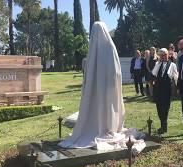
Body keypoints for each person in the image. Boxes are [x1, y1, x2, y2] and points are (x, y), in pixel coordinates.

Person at [59, 22, 146, 152]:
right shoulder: (102, 48)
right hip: (99, 88)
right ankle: (103, 126)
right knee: (101, 108)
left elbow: (114, 70)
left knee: (107, 108)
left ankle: (107, 126)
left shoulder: (106, 48)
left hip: (107, 87)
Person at [152, 48, 178, 134]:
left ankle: (164, 126)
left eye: (164, 55)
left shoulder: (172, 65)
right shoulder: (158, 64)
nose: (163, 57)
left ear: (168, 55)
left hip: (167, 90)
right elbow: (153, 73)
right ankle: (162, 125)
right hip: (158, 90)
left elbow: (176, 78)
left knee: (165, 108)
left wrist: (178, 88)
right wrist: (158, 63)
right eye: (161, 55)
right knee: (159, 108)